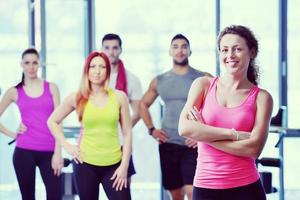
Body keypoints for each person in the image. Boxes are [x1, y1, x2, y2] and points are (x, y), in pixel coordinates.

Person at [178, 25, 273, 200]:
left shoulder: (262, 98)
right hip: (206, 186)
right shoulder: (203, 85)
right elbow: (184, 128)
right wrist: (234, 134)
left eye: (237, 49)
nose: (230, 55)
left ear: (252, 52)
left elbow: (254, 149)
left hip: (247, 188)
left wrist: (204, 134)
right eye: (224, 50)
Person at [47, 51, 132, 200]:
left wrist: (124, 166)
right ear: (87, 70)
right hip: (85, 164)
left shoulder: (119, 97)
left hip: (114, 164)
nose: (97, 71)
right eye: (93, 66)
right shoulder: (77, 97)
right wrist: (67, 146)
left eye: (102, 67)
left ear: (108, 70)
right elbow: (52, 121)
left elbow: (127, 133)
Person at [139, 34, 212, 200]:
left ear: (190, 51)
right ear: (170, 51)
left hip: (193, 144)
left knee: (193, 192)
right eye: (176, 46)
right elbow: (143, 104)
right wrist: (152, 130)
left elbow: (217, 107)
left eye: (184, 46)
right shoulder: (160, 80)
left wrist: (202, 137)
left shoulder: (204, 78)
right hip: (169, 144)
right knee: (176, 195)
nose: (180, 50)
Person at [0, 48, 63, 200]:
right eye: (27, 63)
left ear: (39, 64)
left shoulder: (52, 88)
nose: (31, 66)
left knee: (55, 196)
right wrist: (14, 134)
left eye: (34, 62)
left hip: (50, 151)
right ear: (21, 64)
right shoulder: (14, 91)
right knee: (28, 197)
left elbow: (59, 121)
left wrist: (58, 152)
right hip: (24, 151)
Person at [101, 33, 142, 184]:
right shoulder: (94, 76)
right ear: (101, 49)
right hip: (95, 142)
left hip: (120, 143)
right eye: (107, 48)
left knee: (122, 190)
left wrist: (121, 129)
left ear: (121, 50)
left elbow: (137, 113)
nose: (111, 52)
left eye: (115, 48)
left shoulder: (132, 79)